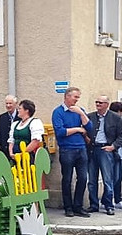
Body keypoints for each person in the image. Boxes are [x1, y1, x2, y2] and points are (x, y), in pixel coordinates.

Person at [51, 87, 94, 217]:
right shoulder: (58, 112)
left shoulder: (79, 111)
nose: (77, 100)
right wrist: (78, 129)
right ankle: (68, 207)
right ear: (67, 96)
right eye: (75, 97)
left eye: (78, 97)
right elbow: (60, 132)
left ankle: (78, 206)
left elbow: (90, 127)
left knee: (83, 178)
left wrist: (81, 114)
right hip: (67, 149)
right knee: (67, 179)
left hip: (81, 149)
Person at [86, 95, 122, 216]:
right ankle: (94, 204)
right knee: (91, 180)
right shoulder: (90, 116)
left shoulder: (115, 118)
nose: (98, 105)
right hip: (92, 149)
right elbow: (85, 130)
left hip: (106, 149)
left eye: (101, 103)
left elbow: (121, 135)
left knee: (107, 179)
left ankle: (108, 205)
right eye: (97, 102)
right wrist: (86, 138)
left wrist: (113, 146)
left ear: (107, 104)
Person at [0, 95, 18, 159]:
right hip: (5, 150)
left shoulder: (20, 117)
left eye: (10, 103)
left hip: (17, 150)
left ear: (16, 104)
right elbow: (0, 134)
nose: (8, 105)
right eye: (7, 103)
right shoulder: (2, 117)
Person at [110, 101, 122, 209]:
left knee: (117, 177)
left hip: (119, 154)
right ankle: (111, 199)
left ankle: (117, 198)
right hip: (115, 153)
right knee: (114, 177)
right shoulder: (114, 122)